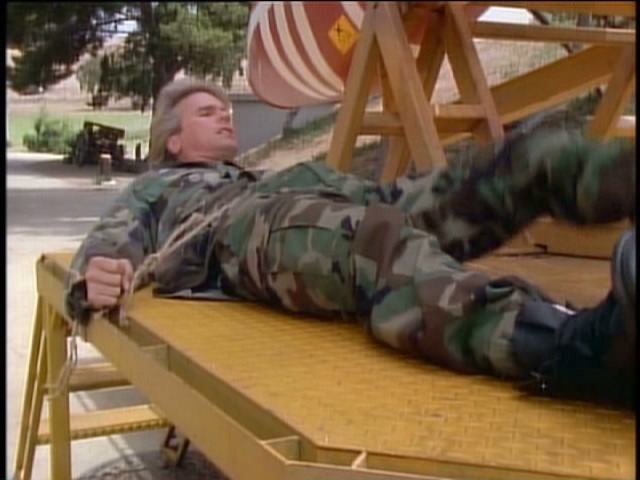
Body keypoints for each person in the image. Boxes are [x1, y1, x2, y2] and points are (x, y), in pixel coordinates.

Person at [65, 78, 636, 406]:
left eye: (226, 110)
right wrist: (96, 277)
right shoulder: (160, 187)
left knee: (526, 159)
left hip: (351, 197)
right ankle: (584, 347)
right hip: (253, 230)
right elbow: (107, 246)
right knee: (376, 247)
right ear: (171, 139)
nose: (225, 118)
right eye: (207, 113)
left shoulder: (255, 171)